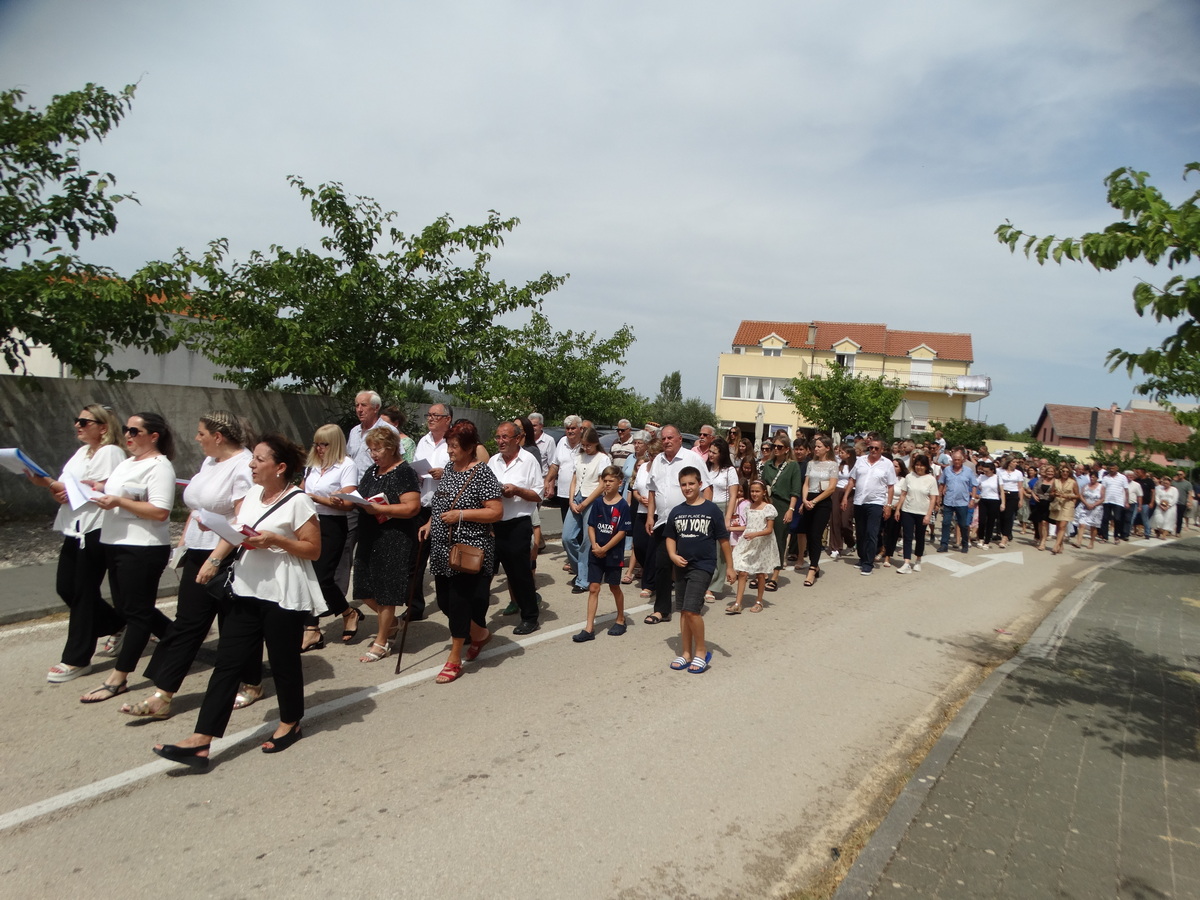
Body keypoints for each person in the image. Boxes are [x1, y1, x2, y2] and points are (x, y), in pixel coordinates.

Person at [152, 434, 326, 766]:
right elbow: (238, 531)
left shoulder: (298, 500)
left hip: (282, 593)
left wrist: (276, 540)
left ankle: (290, 722)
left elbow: (313, 549)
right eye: (252, 458)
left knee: (283, 661)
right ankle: (201, 740)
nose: (251, 464)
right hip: (245, 588)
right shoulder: (252, 495)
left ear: (280, 467)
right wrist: (214, 558)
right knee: (227, 662)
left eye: (259, 459)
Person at [121, 411, 256, 719]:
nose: (196, 438)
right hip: (198, 550)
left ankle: (252, 682)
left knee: (234, 625)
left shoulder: (243, 467)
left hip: (227, 554)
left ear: (218, 437)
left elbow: (242, 521)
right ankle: (163, 695)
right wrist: (182, 545)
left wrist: (215, 559)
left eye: (201, 433)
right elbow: (197, 507)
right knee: (188, 623)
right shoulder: (210, 461)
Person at [79, 413, 177, 704]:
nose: (128, 435)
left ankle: (119, 678)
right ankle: (178, 639)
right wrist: (98, 488)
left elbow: (160, 511)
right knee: (126, 608)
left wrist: (118, 501)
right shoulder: (127, 463)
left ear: (154, 436)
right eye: (126, 429)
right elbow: (119, 491)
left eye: (135, 431)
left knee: (137, 613)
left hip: (142, 547)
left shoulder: (160, 466)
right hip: (116, 543)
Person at [33, 404, 126, 682]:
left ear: (103, 427)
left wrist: (48, 483)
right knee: (66, 587)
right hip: (74, 528)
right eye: (77, 421)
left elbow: (101, 491)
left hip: (96, 528)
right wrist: (55, 491)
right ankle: (117, 623)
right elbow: (67, 488)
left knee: (84, 593)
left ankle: (77, 659)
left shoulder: (111, 452)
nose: (78, 425)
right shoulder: (81, 453)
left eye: (85, 422)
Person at [420, 420, 503, 685]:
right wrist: (430, 522)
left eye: (454, 446)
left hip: (468, 549)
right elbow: (443, 501)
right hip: (441, 547)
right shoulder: (449, 468)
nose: (449, 451)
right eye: (449, 445)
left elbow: (496, 512)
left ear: (469, 448)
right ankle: (479, 634)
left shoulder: (482, 473)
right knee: (444, 602)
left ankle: (454, 659)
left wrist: (462, 515)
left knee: (458, 603)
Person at [332, 426, 420, 662]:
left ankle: (382, 642)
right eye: (371, 449)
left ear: (391, 448)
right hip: (369, 535)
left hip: (394, 537)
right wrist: (345, 499)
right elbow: (361, 497)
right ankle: (393, 624)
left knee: (386, 592)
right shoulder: (373, 471)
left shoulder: (404, 472)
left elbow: (412, 507)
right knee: (363, 588)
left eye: (377, 449)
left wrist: (381, 508)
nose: (373, 454)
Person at [665, 467, 733, 674]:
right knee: (683, 611)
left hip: (703, 566)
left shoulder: (711, 510)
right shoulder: (677, 511)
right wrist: (672, 555)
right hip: (681, 566)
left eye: (691, 484)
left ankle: (701, 652)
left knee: (692, 610)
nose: (687, 488)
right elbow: (670, 537)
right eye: (683, 484)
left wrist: (730, 567)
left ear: (700, 484)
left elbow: (723, 540)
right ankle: (686, 652)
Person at [300, 424, 361, 647]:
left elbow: (348, 503)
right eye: (316, 443)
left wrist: (318, 498)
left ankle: (347, 612)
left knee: (323, 578)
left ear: (334, 444)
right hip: (309, 522)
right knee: (307, 576)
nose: (319, 448)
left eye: (324, 444)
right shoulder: (312, 466)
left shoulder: (346, 465)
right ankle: (312, 628)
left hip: (332, 524)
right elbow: (301, 491)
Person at [643, 425, 710, 624]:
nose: (666, 441)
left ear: (680, 439)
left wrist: (705, 516)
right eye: (663, 438)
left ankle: (691, 605)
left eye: (670, 437)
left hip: (689, 522)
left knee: (690, 564)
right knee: (662, 565)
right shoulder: (658, 461)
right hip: (664, 522)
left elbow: (706, 488)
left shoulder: (692, 458)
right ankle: (662, 610)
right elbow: (652, 491)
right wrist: (650, 516)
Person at [487, 420, 544, 635]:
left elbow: (538, 494)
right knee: (485, 573)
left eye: (505, 437)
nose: (500, 441)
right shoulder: (493, 461)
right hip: (493, 524)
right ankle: (477, 622)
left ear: (517, 438)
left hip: (517, 525)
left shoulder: (528, 461)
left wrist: (517, 490)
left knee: (519, 574)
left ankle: (530, 617)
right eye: (498, 437)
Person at [574, 465, 631, 642]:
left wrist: (604, 549)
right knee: (593, 587)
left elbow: (622, 532)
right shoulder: (598, 503)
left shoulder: (623, 505)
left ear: (619, 483)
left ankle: (620, 619)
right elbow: (591, 526)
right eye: (604, 481)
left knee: (614, 587)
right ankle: (589, 628)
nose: (607, 484)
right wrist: (595, 545)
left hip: (613, 554)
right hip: (596, 551)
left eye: (611, 481)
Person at [842, 435, 897, 576]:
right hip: (859, 501)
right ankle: (862, 558)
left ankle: (868, 563)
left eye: (876, 448)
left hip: (876, 502)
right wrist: (845, 497)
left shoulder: (887, 464)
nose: (873, 450)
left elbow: (890, 486)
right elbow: (852, 480)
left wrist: (888, 505)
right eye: (871, 447)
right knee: (860, 533)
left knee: (871, 533)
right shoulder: (861, 461)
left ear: (882, 449)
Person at [568, 427, 612, 593]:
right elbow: (574, 480)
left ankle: (584, 579)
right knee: (567, 538)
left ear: (595, 443)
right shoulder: (579, 457)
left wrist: (586, 503)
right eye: (583, 445)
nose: (586, 448)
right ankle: (581, 570)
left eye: (589, 445)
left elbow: (602, 485)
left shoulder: (602, 458)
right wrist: (571, 500)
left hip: (592, 500)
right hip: (577, 498)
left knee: (587, 541)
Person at [759, 437, 803, 590]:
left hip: (783, 505)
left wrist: (791, 510)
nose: (776, 449)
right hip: (767, 504)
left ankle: (775, 575)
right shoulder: (768, 465)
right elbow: (763, 485)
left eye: (779, 446)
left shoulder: (793, 466)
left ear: (786, 449)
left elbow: (795, 491)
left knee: (779, 539)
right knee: (763, 539)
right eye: (774, 446)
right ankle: (763, 574)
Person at [727, 479, 776, 613]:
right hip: (748, 541)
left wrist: (755, 534)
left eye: (757, 491)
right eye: (752, 491)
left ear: (764, 492)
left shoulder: (768, 508)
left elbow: (769, 529)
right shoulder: (748, 507)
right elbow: (748, 525)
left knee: (760, 573)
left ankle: (759, 601)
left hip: (761, 543)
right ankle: (738, 603)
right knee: (742, 571)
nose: (754, 494)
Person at [798, 435, 837, 586]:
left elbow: (831, 488)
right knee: (809, 534)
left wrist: (815, 501)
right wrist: (804, 500)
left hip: (822, 502)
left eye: (819, 446)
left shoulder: (832, 465)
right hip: (809, 499)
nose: (816, 449)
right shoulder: (811, 463)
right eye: (815, 446)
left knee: (816, 534)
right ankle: (815, 563)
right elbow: (806, 483)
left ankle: (812, 568)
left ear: (827, 448)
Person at [705, 437, 740, 600]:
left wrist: (727, 517)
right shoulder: (706, 468)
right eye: (710, 451)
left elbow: (733, 496)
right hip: (706, 507)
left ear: (722, 453)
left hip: (721, 508)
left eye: (714, 452)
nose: (711, 455)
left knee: (720, 549)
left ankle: (713, 586)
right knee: (706, 546)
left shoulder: (729, 471)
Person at [630, 438, 662, 599]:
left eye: (655, 454)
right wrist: (639, 498)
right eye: (650, 454)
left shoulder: (664, 469)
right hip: (642, 511)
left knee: (652, 549)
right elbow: (635, 489)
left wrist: (654, 502)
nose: (652, 457)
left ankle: (649, 584)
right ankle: (653, 572)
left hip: (658, 513)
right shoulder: (643, 467)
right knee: (639, 545)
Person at [896, 454, 938, 573]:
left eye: (921, 465)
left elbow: (933, 498)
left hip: (922, 512)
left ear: (926, 466)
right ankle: (906, 563)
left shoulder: (931, 479)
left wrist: (928, 515)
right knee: (907, 537)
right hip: (908, 510)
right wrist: (898, 509)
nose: (919, 467)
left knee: (920, 537)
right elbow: (903, 494)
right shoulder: (909, 477)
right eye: (917, 465)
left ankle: (918, 560)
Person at [936, 449, 977, 555]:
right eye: (955, 460)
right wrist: (939, 497)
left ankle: (964, 544)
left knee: (963, 524)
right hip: (949, 501)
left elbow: (974, 485)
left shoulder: (968, 471)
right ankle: (944, 544)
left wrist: (972, 499)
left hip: (962, 502)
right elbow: (942, 483)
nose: (957, 462)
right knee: (946, 523)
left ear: (962, 460)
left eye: (959, 460)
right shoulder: (947, 470)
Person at [827, 445, 856, 561]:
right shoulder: (838, 464)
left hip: (850, 493)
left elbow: (856, 480)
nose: (840, 454)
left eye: (842, 452)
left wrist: (848, 488)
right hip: (837, 491)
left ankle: (851, 542)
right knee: (835, 520)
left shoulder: (855, 466)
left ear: (849, 454)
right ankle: (835, 547)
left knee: (845, 521)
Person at [877, 457, 907, 568]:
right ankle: (881, 549)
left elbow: (903, 496)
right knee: (877, 531)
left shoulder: (903, 480)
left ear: (901, 468)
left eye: (896, 466)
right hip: (881, 506)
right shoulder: (884, 477)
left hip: (895, 509)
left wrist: (893, 507)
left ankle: (888, 556)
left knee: (891, 533)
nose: (893, 468)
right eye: (892, 465)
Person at [1048, 463, 1080, 554]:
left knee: (1062, 526)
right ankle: (1061, 544)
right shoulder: (1056, 481)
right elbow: (1051, 493)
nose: (1065, 473)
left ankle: (1056, 545)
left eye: (1067, 471)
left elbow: (1077, 495)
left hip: (1067, 504)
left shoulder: (1072, 482)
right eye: (1063, 471)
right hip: (1057, 504)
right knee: (1058, 526)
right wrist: (1055, 494)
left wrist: (1068, 496)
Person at [973, 461, 1002, 549]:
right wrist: (974, 495)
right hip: (983, 499)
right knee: (982, 521)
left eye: (987, 471)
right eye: (984, 471)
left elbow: (1001, 490)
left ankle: (987, 541)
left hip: (994, 500)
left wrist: (1003, 503)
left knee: (991, 521)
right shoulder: (981, 477)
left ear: (992, 470)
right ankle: (981, 538)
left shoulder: (997, 477)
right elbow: (974, 485)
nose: (985, 473)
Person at [1072, 471, 1104, 548]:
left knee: (1093, 526)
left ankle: (1091, 542)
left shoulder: (1101, 487)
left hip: (1096, 508)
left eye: (1093, 477)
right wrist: (1086, 503)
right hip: (1085, 506)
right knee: (1081, 524)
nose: (1092, 478)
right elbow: (1081, 495)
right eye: (1091, 477)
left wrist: (1094, 505)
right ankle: (1078, 542)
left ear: (1097, 478)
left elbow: (1103, 498)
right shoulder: (1086, 486)